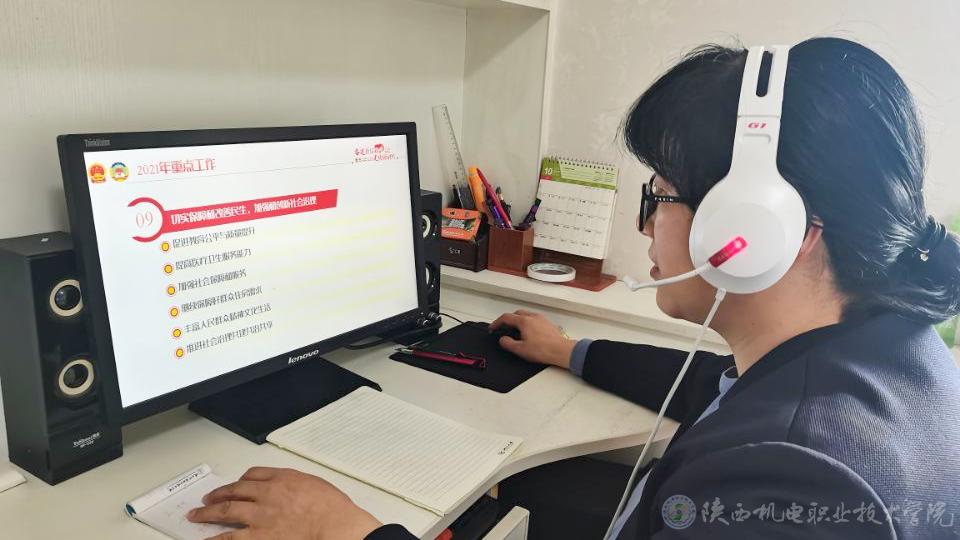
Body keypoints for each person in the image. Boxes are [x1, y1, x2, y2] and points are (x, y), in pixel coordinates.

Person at [187, 37, 960, 539]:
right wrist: (571, 351)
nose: (645, 224)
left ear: (762, 227)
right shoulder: (880, 354)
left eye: (660, 195)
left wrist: (351, 533)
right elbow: (719, 388)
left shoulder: (791, 480)